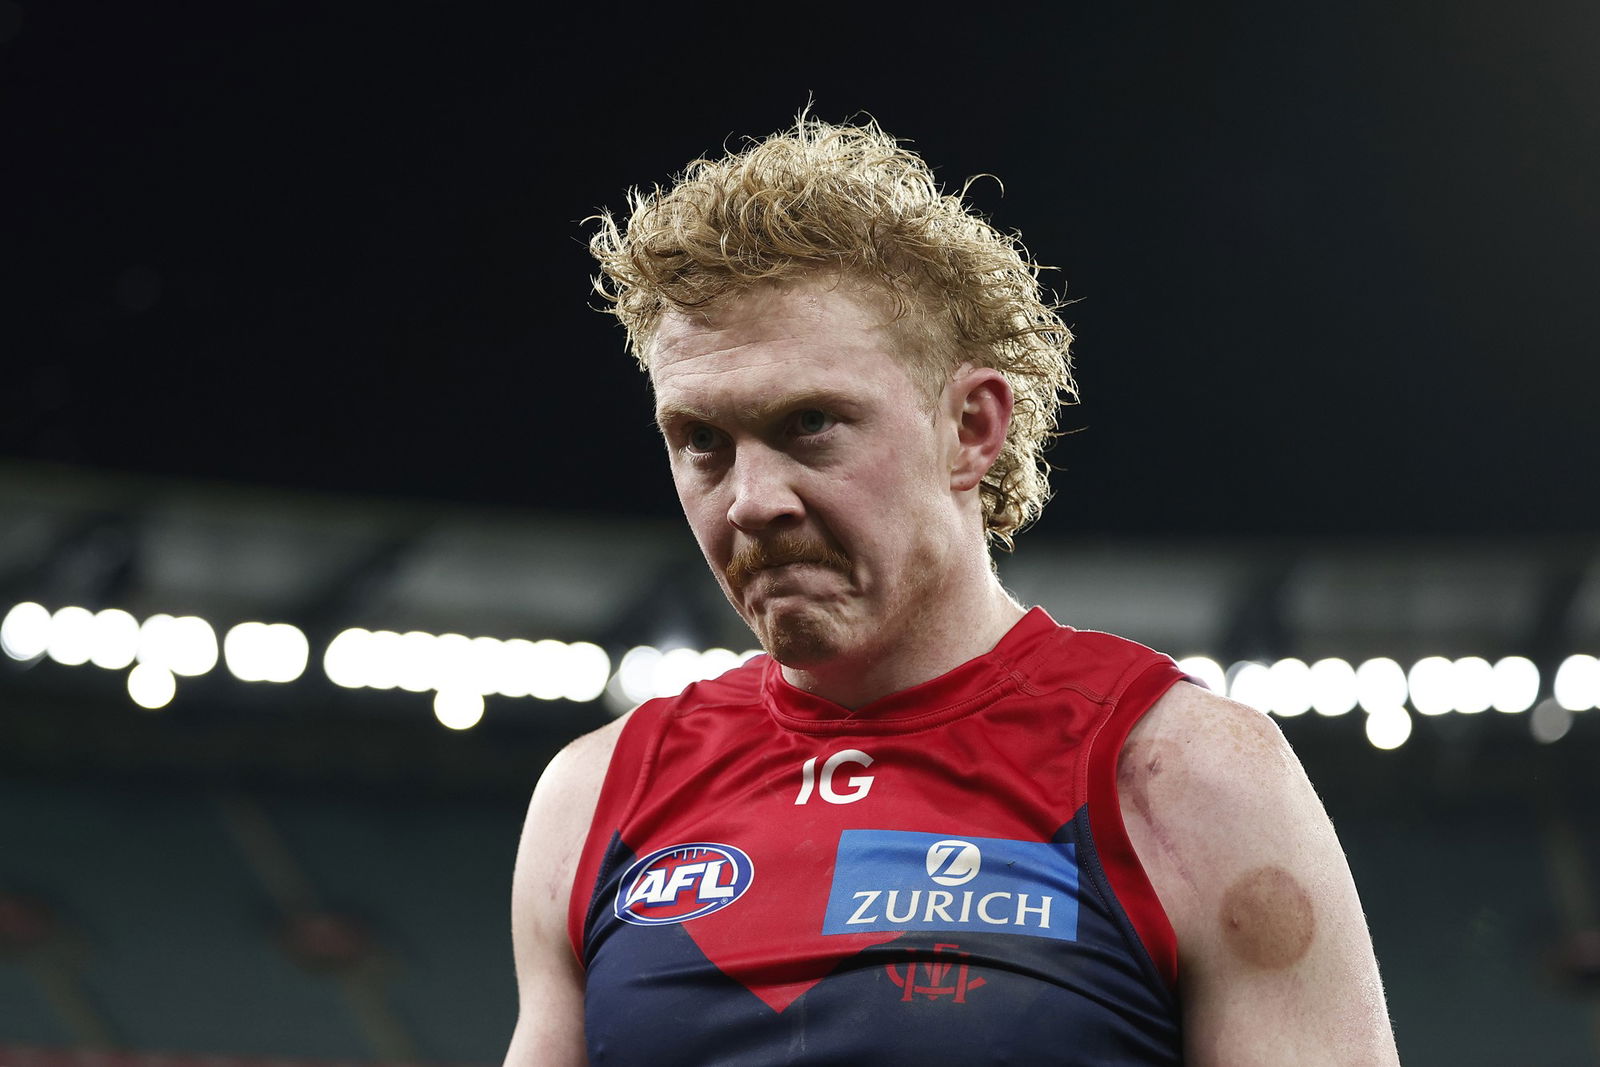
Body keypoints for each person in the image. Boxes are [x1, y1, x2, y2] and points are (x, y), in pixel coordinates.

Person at [504, 116, 1399, 1065]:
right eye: (702, 444)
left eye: (810, 423)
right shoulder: (595, 796)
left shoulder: (1186, 778)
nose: (752, 501)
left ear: (972, 426)